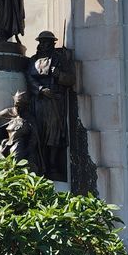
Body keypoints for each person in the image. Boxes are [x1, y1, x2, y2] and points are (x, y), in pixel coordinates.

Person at [26, 31, 75, 181]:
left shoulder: (59, 60)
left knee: (54, 133)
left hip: (55, 100)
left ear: (52, 44)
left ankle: (53, 165)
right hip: (39, 100)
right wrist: (40, 89)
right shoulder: (33, 60)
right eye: (41, 42)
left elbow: (71, 79)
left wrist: (59, 74)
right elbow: (28, 77)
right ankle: (42, 164)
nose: (42, 45)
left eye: (46, 42)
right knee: (39, 132)